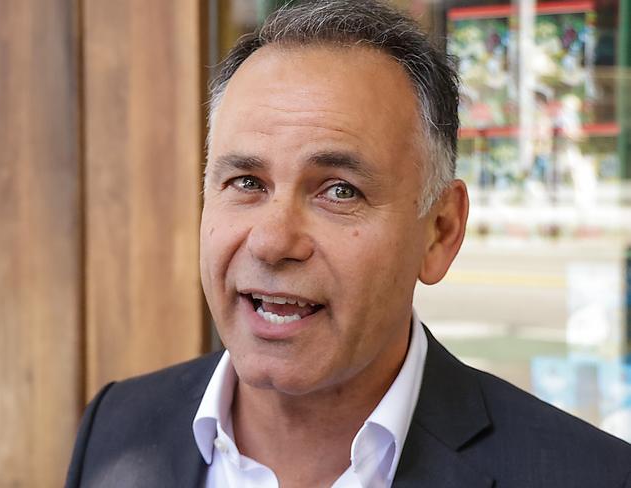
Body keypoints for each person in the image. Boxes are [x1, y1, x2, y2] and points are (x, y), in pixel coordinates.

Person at [65, 1, 631, 487]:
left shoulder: (585, 473)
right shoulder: (117, 429)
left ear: (440, 232)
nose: (272, 241)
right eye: (246, 183)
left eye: (339, 191)